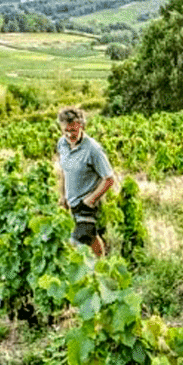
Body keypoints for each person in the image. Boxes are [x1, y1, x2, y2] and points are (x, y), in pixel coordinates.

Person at [54, 108, 114, 257]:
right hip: (72, 201)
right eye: (65, 131)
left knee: (79, 238)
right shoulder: (62, 144)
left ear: (81, 126)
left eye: (73, 130)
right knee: (91, 236)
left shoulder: (93, 149)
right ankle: (103, 261)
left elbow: (109, 179)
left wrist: (91, 199)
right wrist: (63, 196)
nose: (69, 135)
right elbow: (63, 170)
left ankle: (96, 269)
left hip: (88, 201)